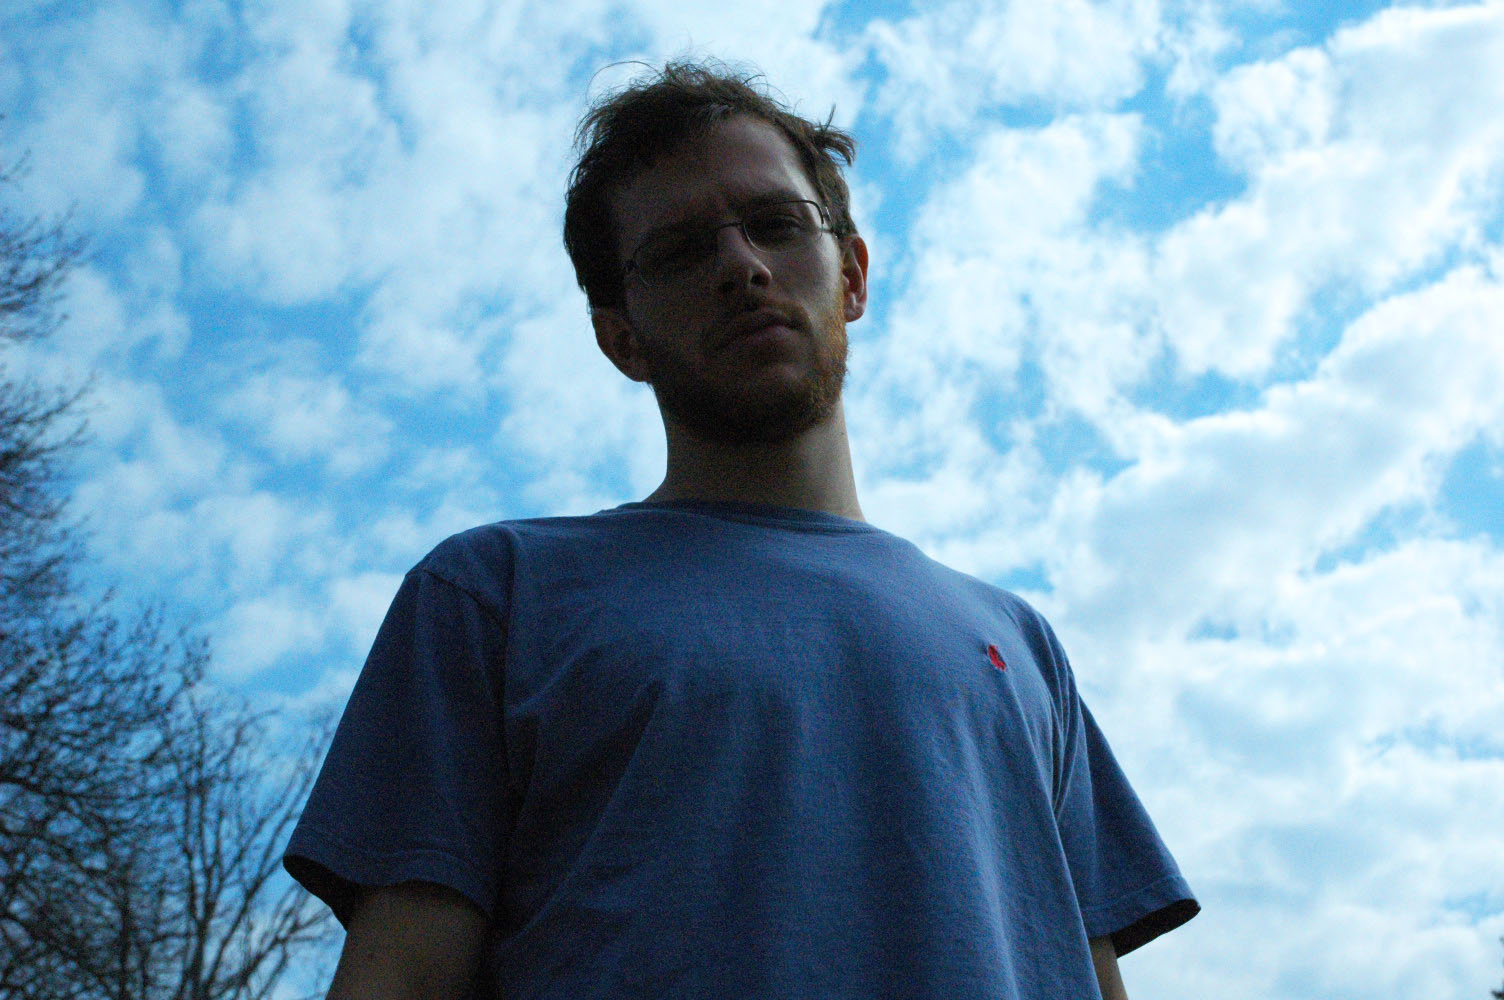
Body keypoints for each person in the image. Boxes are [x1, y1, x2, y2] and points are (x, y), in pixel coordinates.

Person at [284, 59, 1200, 1000]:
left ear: (852, 275)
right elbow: (402, 975)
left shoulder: (1021, 643)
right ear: (620, 337)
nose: (742, 266)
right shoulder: (494, 595)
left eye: (777, 224)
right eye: (680, 252)